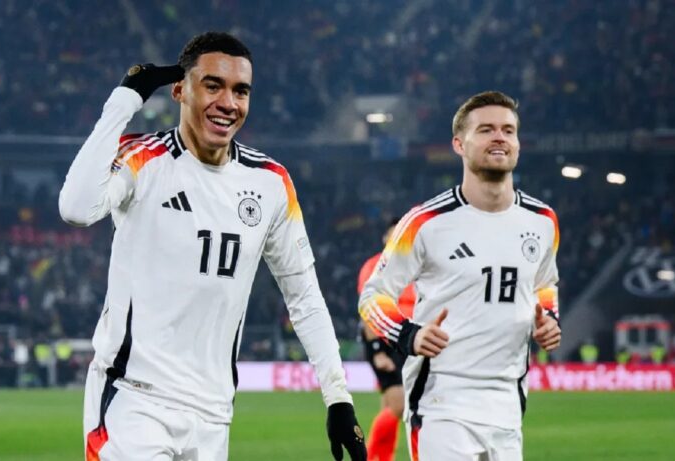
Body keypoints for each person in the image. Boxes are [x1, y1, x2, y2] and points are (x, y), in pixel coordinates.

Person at [59, 32, 366, 461]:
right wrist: (125, 99)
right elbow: (76, 208)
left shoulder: (270, 182)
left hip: (213, 414)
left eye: (240, 91)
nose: (228, 103)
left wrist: (338, 397)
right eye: (213, 85)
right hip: (133, 400)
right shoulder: (144, 158)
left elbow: (305, 297)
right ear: (179, 90)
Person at [358, 91, 562, 461]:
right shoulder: (425, 222)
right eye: (486, 130)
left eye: (508, 130)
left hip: (508, 399)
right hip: (442, 399)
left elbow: (545, 284)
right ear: (458, 144)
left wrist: (548, 318)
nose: (499, 137)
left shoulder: (542, 220)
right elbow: (373, 297)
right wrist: (409, 335)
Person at [358, 219, 413, 461]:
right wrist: (377, 349)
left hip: (406, 341)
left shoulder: (413, 267)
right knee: (399, 405)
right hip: (383, 341)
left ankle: (382, 457)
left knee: (391, 405)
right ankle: (369, 455)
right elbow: (368, 310)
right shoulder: (374, 266)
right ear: (385, 239)